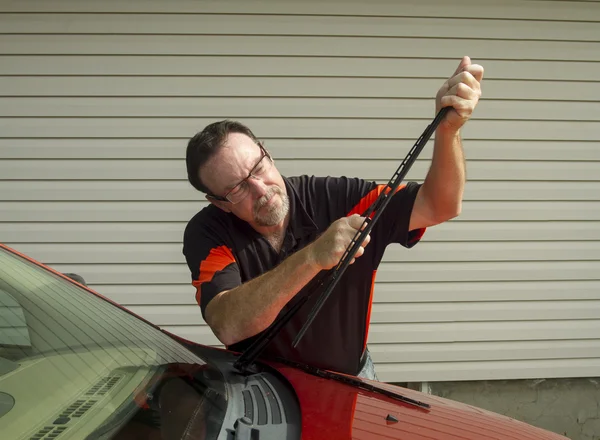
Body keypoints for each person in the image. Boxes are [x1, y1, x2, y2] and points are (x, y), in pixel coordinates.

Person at [182, 56, 484, 380]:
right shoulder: (209, 231)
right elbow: (227, 325)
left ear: (267, 153)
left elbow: (440, 206)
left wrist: (449, 131)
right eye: (238, 187)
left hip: (351, 380)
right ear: (219, 202)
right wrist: (312, 256)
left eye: (259, 167)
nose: (261, 188)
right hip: (263, 391)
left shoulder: (334, 197)